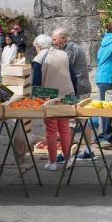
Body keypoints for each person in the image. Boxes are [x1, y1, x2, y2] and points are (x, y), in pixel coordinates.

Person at [32, 34, 76, 171]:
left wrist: (35, 101)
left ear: (39, 46)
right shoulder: (64, 54)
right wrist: (75, 95)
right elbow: (73, 76)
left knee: (51, 130)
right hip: (68, 95)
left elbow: (36, 83)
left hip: (49, 97)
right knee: (65, 128)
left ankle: (52, 162)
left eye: (36, 48)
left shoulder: (39, 58)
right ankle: (68, 159)